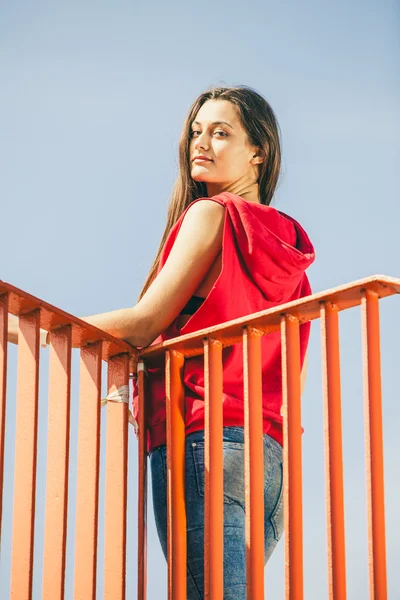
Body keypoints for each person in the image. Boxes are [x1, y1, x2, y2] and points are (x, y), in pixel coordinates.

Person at [7, 85, 315, 599]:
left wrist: (29, 327)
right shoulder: (288, 242)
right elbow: (292, 370)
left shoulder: (213, 215)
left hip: (203, 432)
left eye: (221, 133)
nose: (202, 143)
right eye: (197, 131)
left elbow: (146, 322)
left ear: (258, 150)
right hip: (270, 454)